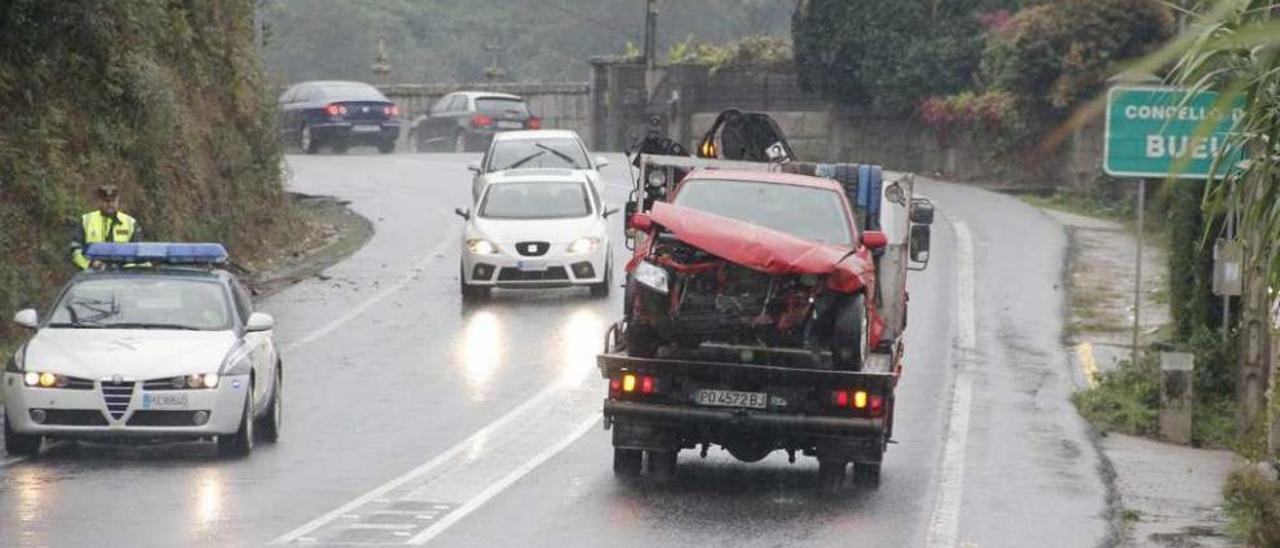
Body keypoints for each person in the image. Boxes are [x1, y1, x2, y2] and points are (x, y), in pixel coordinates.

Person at [70, 185, 141, 270]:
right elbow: (75, 251)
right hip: (92, 274)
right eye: (106, 201)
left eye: (113, 201)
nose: (110, 204)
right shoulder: (86, 220)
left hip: (122, 276)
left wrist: (126, 269)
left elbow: (137, 252)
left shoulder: (130, 223)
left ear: (118, 201)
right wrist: (90, 264)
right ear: (99, 201)